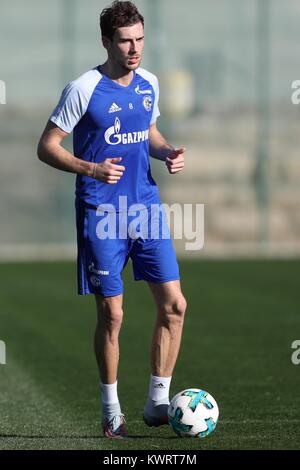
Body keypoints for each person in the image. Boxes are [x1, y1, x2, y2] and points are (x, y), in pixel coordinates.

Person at [37, 0, 187, 439]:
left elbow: (149, 131)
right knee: (113, 315)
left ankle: (158, 403)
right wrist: (91, 168)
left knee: (175, 307)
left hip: (147, 208)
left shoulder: (149, 83)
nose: (135, 48)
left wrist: (166, 151)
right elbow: (47, 146)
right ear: (107, 42)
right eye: (125, 40)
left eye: (140, 39)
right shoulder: (83, 88)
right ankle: (111, 413)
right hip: (102, 213)